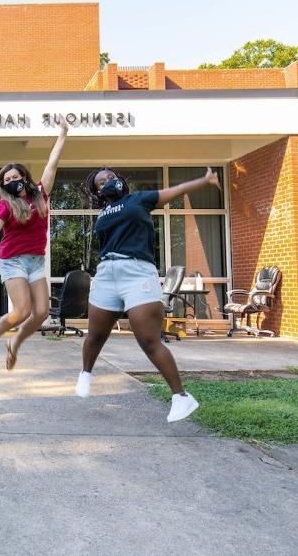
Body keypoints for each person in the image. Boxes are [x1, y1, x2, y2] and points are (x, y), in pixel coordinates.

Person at [76, 166, 221, 422]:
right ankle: (86, 373)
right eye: (102, 181)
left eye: (112, 177)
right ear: (98, 191)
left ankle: (182, 398)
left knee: (147, 339)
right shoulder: (102, 213)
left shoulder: (138, 199)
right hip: (107, 272)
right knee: (95, 335)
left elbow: (175, 190)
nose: (109, 181)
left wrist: (204, 180)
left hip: (137, 272)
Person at [0, 118, 69, 369]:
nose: (11, 181)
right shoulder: (5, 204)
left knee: (41, 313)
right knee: (21, 311)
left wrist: (62, 134)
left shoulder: (40, 194)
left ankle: (15, 343)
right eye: (6, 180)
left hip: (37, 261)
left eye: (15, 176)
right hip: (12, 260)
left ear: (24, 177)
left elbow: (52, 163)